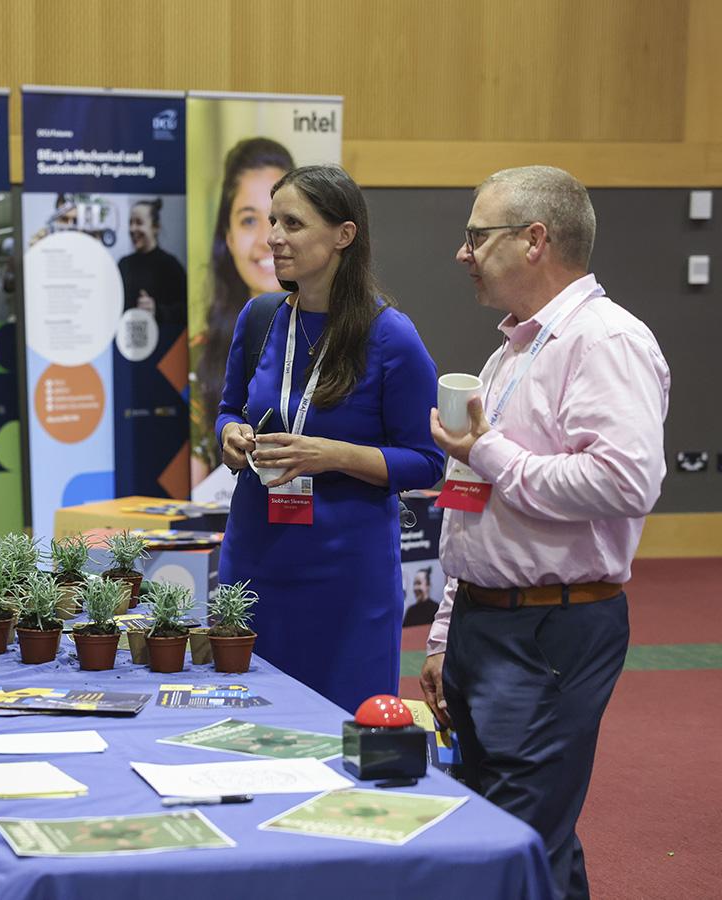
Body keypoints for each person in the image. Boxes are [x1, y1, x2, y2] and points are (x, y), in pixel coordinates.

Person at [420, 166, 670, 900]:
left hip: (551, 630)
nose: (463, 254)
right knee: (525, 837)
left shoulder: (605, 341)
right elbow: (476, 508)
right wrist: (444, 630)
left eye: (477, 235)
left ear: (535, 240)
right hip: (485, 624)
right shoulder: (511, 352)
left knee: (515, 837)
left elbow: (625, 485)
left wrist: (490, 452)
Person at [216, 164, 444, 713]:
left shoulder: (391, 335)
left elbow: (428, 461)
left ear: (344, 235)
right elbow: (227, 410)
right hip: (254, 563)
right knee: (249, 726)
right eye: (273, 221)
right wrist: (230, 435)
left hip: (346, 581)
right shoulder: (260, 317)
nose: (273, 237)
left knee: (342, 733)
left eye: (292, 223)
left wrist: (332, 456)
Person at [191, 138, 294, 484]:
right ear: (228, 236)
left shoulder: (347, 336)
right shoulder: (197, 358)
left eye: (284, 220)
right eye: (249, 221)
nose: (269, 237)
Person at [117, 198, 187, 332]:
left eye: (139, 222)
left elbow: (187, 310)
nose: (132, 228)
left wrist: (157, 310)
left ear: (156, 227)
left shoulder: (170, 265)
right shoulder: (123, 264)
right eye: (130, 223)